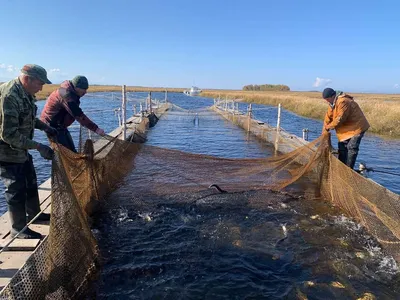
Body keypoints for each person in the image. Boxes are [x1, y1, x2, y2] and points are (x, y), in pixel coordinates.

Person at [0, 64, 58, 239]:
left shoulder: (26, 93)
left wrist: (45, 127)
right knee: (15, 188)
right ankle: (18, 229)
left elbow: (29, 118)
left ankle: (34, 215)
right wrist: (39, 147)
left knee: (30, 181)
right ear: (28, 79)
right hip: (6, 151)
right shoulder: (10, 95)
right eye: (39, 83)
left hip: (21, 149)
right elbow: (8, 135)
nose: (41, 88)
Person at [40, 76, 105, 152]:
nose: (85, 92)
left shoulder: (71, 92)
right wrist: (95, 129)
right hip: (51, 125)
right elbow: (78, 115)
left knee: (72, 151)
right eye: (84, 89)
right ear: (76, 87)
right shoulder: (65, 95)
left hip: (60, 125)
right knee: (64, 152)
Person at [322, 88, 370, 169]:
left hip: (357, 127)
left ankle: (348, 170)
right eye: (325, 99)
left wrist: (328, 127)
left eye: (327, 99)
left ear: (333, 96)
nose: (327, 101)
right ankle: (341, 168)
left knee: (352, 148)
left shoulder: (343, 101)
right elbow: (328, 117)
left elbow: (340, 119)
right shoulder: (332, 103)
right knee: (342, 147)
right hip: (346, 129)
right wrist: (324, 131)